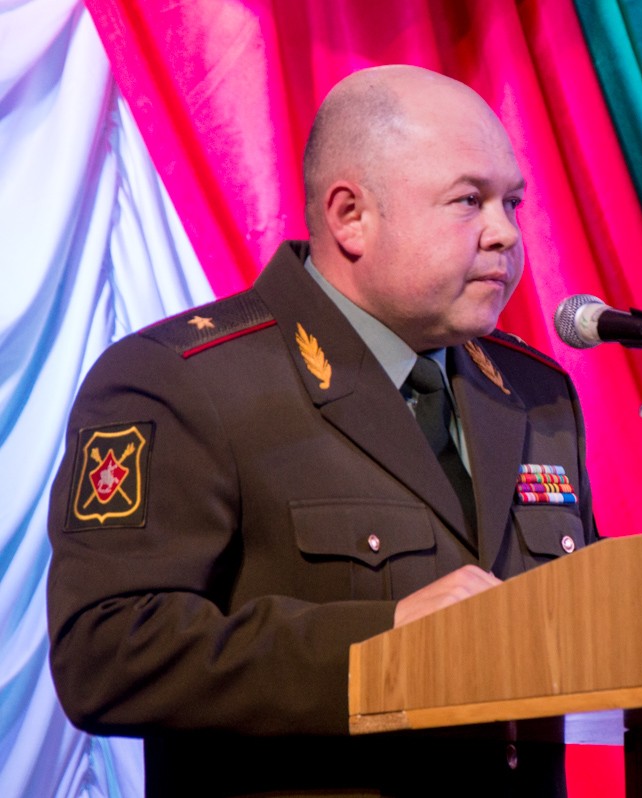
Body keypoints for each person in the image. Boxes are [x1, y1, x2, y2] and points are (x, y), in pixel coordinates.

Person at [47, 65, 596, 797]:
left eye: (513, 203)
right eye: (470, 200)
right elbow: (106, 655)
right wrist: (385, 643)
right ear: (350, 216)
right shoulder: (181, 380)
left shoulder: (534, 392)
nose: (505, 234)